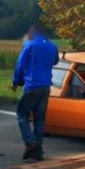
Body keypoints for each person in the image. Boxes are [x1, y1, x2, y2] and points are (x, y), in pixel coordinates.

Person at [12, 24, 60, 161]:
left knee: (22, 114)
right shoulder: (52, 46)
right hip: (46, 87)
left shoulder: (30, 45)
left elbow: (20, 64)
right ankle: (37, 152)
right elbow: (55, 61)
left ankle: (30, 142)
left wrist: (15, 81)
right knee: (39, 118)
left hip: (32, 86)